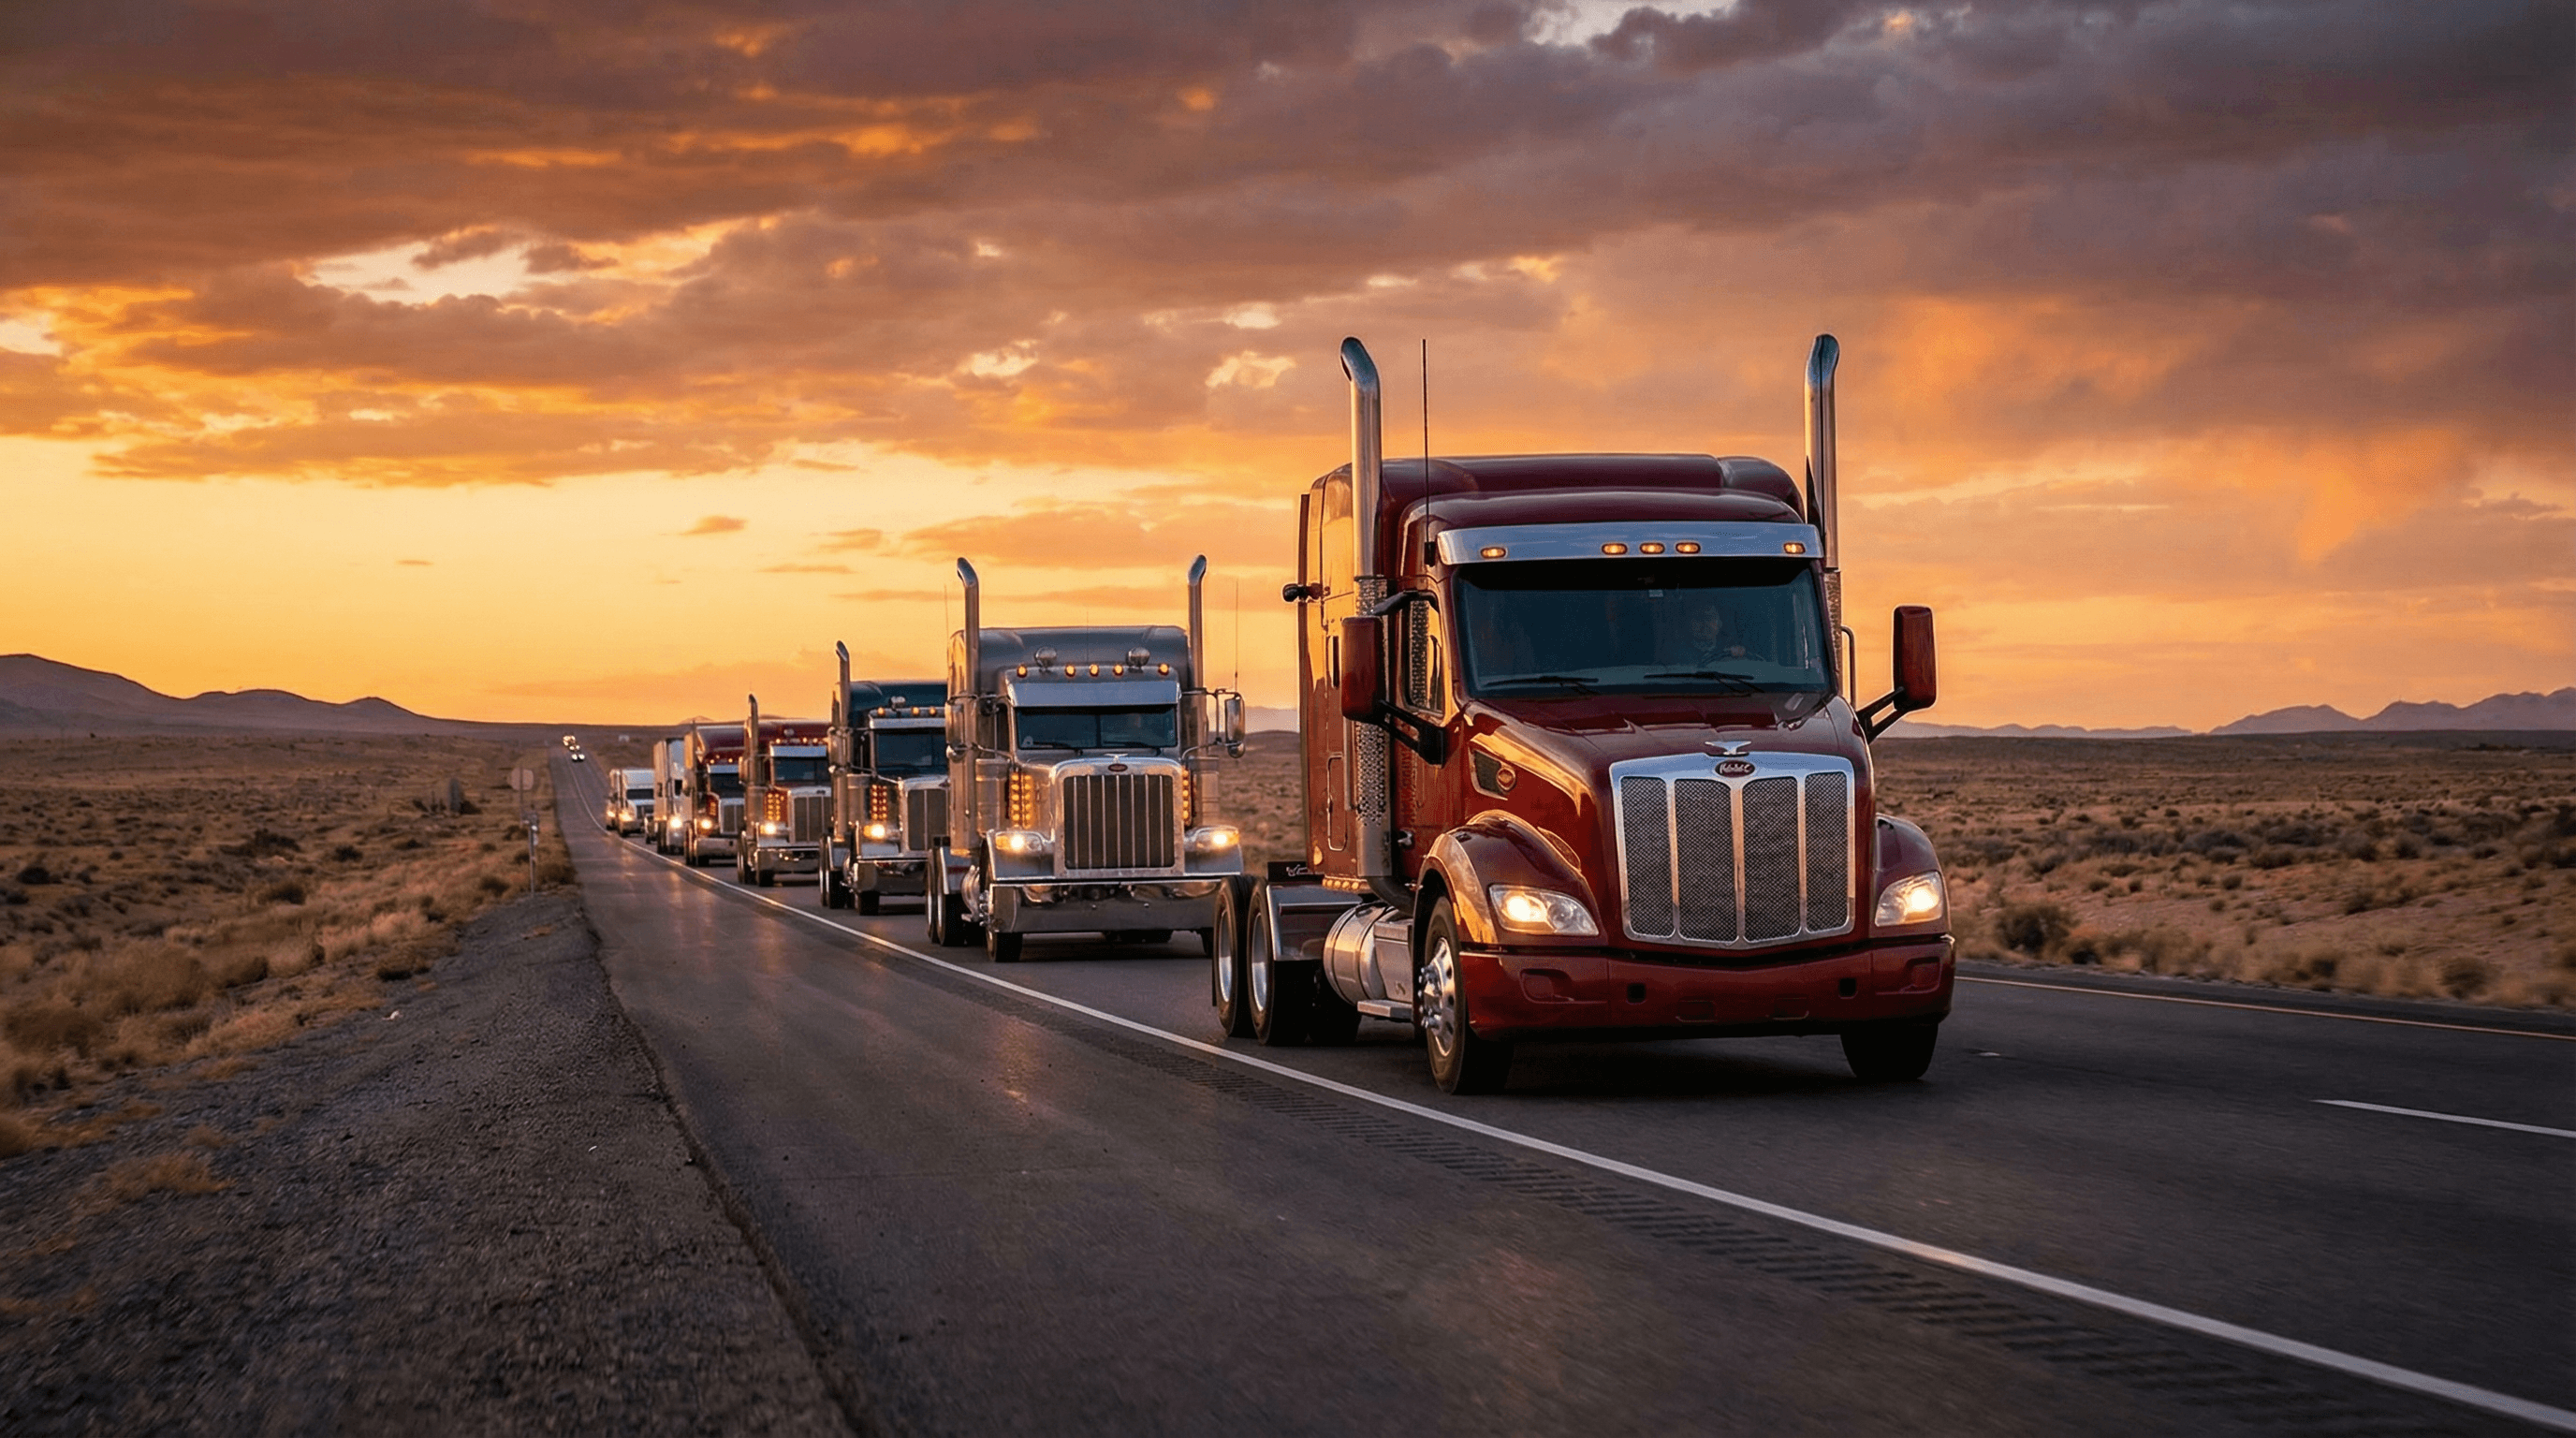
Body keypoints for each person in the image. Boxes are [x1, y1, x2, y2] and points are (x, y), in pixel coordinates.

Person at [1686, 594, 1749, 665]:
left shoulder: (1732, 648)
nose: (1706, 623)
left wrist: (1740, 653)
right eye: (1700, 618)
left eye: (1710, 618)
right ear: (1689, 623)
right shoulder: (1679, 654)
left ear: (1719, 623)